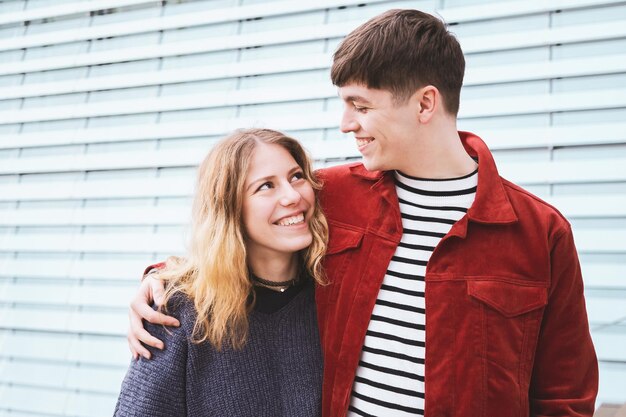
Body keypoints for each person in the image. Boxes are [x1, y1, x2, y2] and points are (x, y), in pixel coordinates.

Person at [127, 9, 599, 417]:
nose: (346, 123)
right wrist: (160, 281)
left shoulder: (541, 233)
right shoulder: (326, 196)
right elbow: (239, 233)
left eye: (361, 106)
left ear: (425, 104)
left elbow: (565, 398)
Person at [115, 128, 328, 416]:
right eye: (266, 186)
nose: (292, 196)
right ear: (229, 208)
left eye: (296, 176)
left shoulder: (334, 296)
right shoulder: (177, 310)